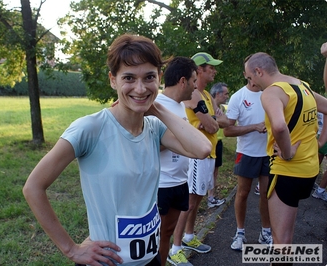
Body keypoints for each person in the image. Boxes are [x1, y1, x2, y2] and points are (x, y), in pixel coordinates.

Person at [23, 34, 212, 266]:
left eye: (149, 77)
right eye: (129, 78)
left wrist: (157, 109)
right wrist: (71, 250)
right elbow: (33, 187)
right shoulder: (90, 128)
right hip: (107, 262)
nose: (140, 88)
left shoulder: (154, 127)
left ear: (159, 78)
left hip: (150, 258)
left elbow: (202, 148)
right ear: (113, 80)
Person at [245, 52, 327, 266]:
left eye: (249, 77)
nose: (251, 82)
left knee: (281, 240)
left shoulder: (272, 93)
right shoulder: (302, 85)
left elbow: (280, 126)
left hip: (286, 171)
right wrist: (319, 142)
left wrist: (288, 150)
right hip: (309, 170)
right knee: (286, 237)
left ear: (259, 71)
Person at [171, 52, 229, 258]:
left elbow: (220, 122)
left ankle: (189, 236)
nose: (214, 70)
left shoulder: (206, 96)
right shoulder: (194, 94)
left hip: (208, 152)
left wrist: (211, 120)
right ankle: (175, 249)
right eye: (210, 67)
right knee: (189, 201)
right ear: (199, 70)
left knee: (197, 200)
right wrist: (212, 120)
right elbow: (215, 125)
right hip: (196, 155)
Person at [156, 56, 198, 266]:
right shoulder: (156, 106)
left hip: (179, 181)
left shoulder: (180, 106)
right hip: (161, 184)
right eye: (193, 81)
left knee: (167, 234)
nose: (195, 86)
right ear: (183, 81)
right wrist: (181, 137)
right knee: (156, 237)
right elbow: (150, 144)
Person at [223, 66, 271, 251]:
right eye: (250, 73)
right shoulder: (238, 97)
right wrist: (254, 127)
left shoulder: (270, 94)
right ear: (245, 74)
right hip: (247, 152)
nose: (255, 77)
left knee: (267, 194)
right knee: (243, 193)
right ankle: (240, 233)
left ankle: (265, 232)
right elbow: (227, 130)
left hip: (268, 153)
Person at [209, 82, 229, 207]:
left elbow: (226, 122)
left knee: (215, 171)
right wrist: (218, 120)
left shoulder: (221, 109)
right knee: (208, 171)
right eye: (226, 93)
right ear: (218, 94)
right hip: (210, 141)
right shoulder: (208, 106)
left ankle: (211, 196)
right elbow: (211, 122)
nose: (227, 96)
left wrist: (217, 120)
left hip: (219, 142)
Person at [313, 112, 327, 201]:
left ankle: (309, 183)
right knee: (317, 160)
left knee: (316, 161)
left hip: (320, 135)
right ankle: (320, 191)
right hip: (324, 136)